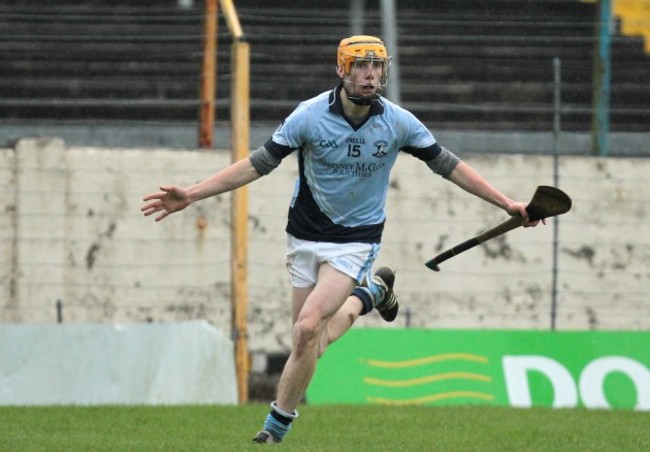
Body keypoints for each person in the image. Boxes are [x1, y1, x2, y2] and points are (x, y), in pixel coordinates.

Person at [141, 35, 542, 444]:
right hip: (304, 236)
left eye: (377, 67)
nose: (370, 75)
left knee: (308, 327)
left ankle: (275, 428)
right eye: (360, 66)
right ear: (341, 70)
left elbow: (450, 166)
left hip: (357, 241)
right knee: (311, 344)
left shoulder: (398, 122)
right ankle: (372, 294)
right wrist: (192, 193)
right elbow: (257, 164)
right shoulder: (310, 116)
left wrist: (507, 203)